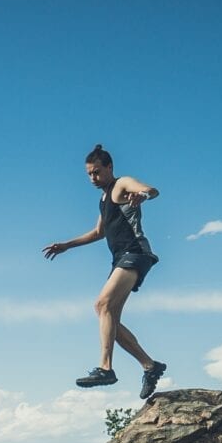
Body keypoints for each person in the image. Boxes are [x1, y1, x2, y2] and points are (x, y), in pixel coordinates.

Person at [43, 143, 168, 398]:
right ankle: (150, 365)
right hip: (120, 258)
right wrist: (67, 245)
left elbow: (151, 190)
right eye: (89, 174)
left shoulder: (122, 184)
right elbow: (98, 232)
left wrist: (141, 195)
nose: (93, 177)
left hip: (135, 253)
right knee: (109, 320)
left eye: (97, 172)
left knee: (102, 306)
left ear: (109, 167)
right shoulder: (103, 198)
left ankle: (106, 368)